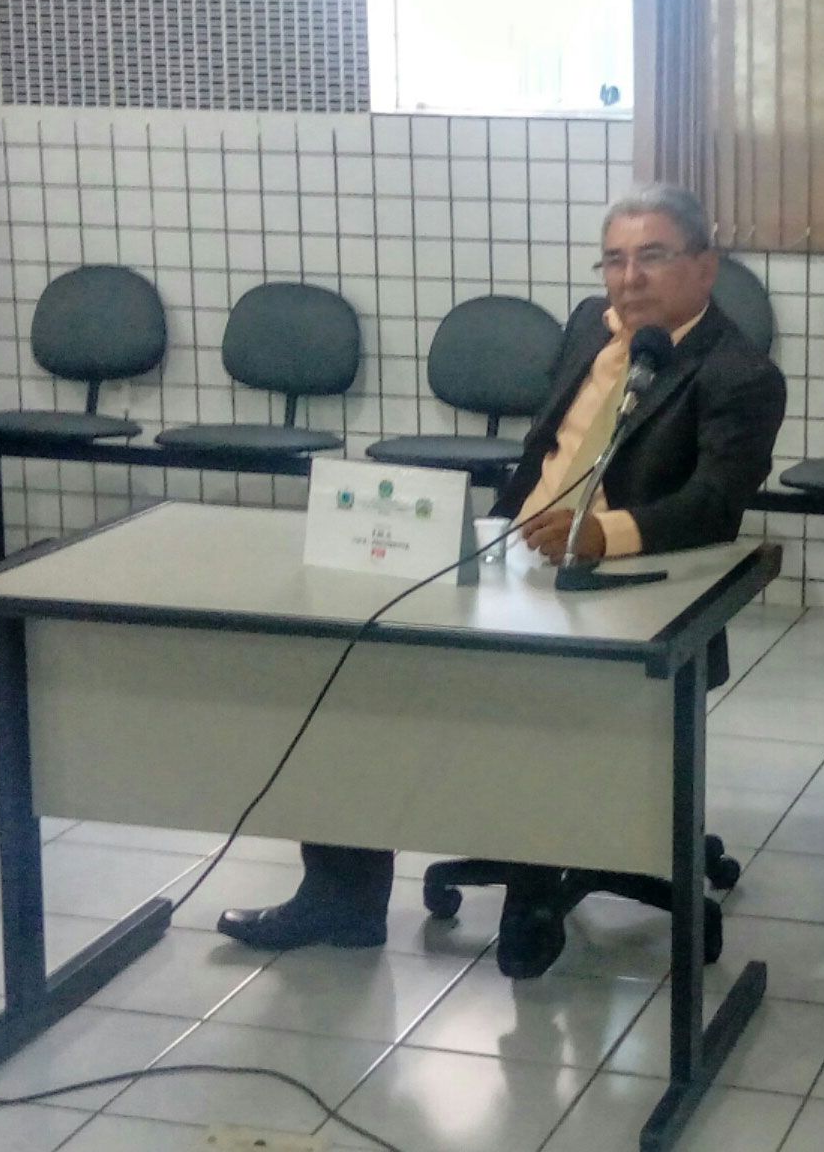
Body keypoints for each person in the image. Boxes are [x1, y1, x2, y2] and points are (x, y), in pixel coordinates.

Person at [216, 182, 788, 952]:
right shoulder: (590, 327)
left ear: (705, 266)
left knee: (530, 698)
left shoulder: (741, 374)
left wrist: (603, 535)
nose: (629, 280)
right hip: (514, 556)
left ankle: (534, 896)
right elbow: (540, 454)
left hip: (628, 592)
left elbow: (714, 504)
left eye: (652, 257)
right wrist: (482, 537)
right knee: (350, 661)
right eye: (614, 260)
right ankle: (342, 899)